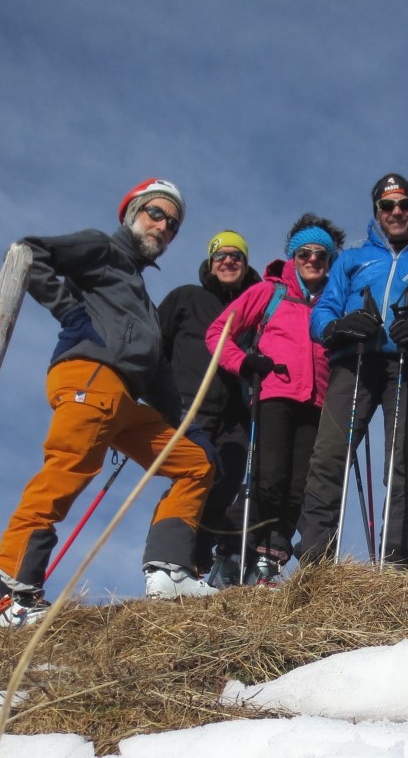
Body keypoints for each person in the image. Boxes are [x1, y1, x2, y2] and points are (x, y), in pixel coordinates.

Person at [0, 178, 221, 628]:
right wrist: (72, 315)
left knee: (196, 464)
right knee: (67, 470)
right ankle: (11, 592)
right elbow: (27, 252)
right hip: (91, 376)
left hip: (124, 399)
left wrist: (188, 429)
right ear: (132, 211)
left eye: (172, 225)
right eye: (156, 213)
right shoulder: (103, 250)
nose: (163, 227)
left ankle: (169, 570)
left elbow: (158, 379)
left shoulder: (141, 303)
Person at [299, 173, 408, 567]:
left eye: (404, 205)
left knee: (405, 459)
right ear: (376, 211)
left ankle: (397, 559)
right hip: (353, 361)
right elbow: (324, 308)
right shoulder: (353, 259)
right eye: (387, 206)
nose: (396, 212)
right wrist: (336, 327)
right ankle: (315, 560)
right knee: (328, 455)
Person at [205, 214, 340, 584]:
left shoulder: (335, 301)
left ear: (330, 260)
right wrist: (243, 362)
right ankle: (231, 554)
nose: (312, 259)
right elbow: (218, 332)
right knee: (269, 480)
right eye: (304, 253)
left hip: (318, 403)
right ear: (293, 256)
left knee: (301, 487)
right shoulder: (270, 292)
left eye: (321, 255)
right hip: (275, 394)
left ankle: (270, 560)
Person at [158, 230, 262, 576]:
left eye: (237, 256)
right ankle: (165, 561)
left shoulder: (255, 312)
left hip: (236, 413)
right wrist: (161, 392)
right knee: (193, 477)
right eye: (221, 256)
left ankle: (196, 568)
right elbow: (157, 344)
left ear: (246, 265)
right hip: (191, 405)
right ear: (210, 263)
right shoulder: (187, 298)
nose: (229, 261)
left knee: (225, 485)